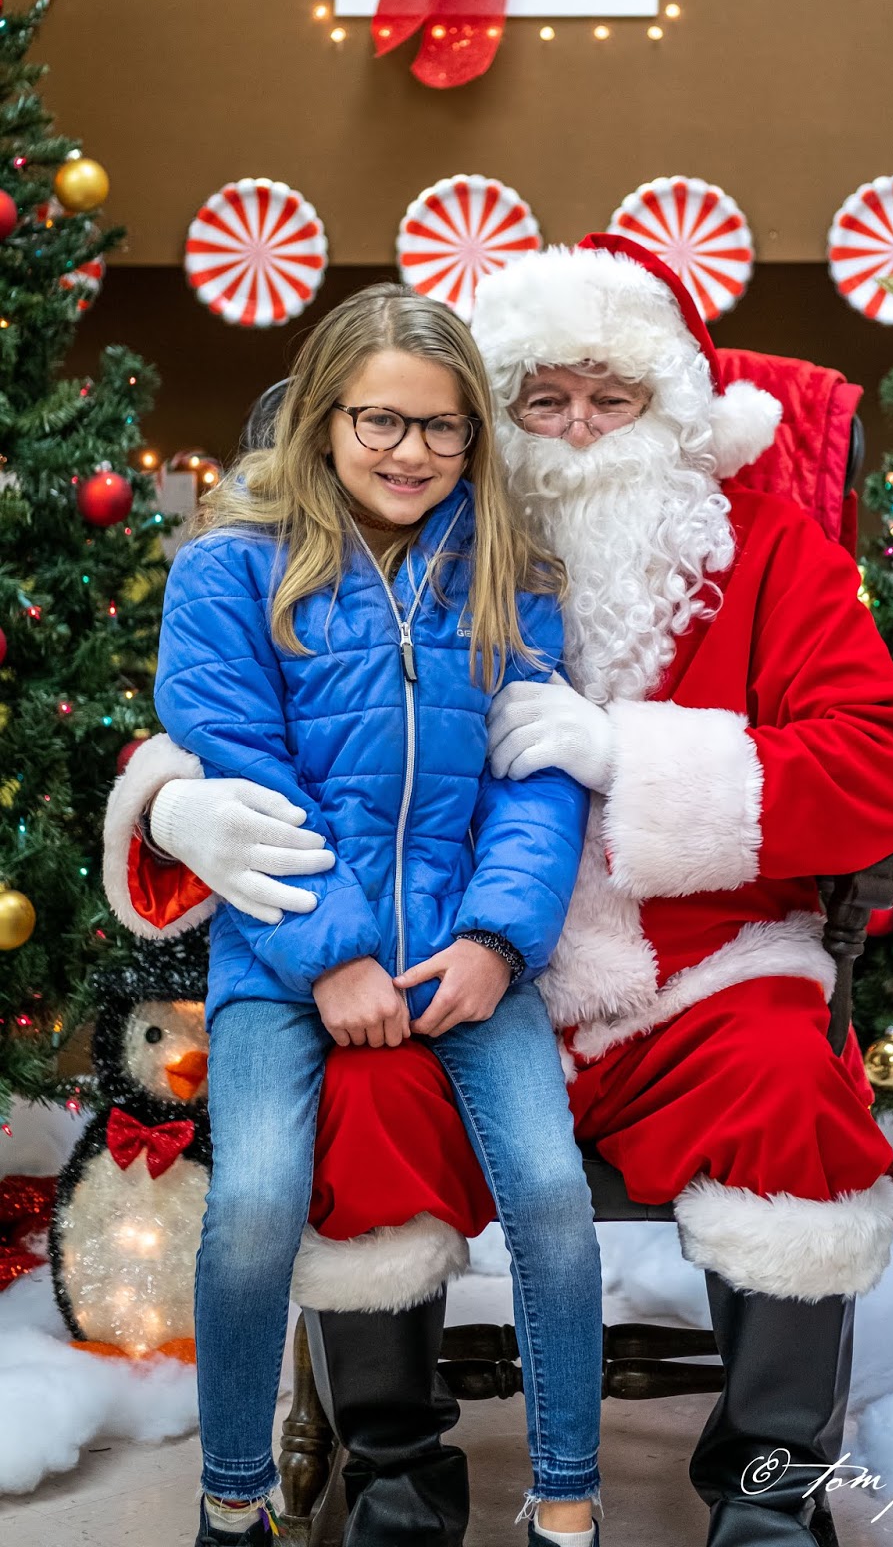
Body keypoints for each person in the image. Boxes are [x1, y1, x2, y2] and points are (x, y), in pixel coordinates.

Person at [105, 236, 893, 1547]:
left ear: (672, 408)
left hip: (693, 976)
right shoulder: (407, 538)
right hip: (436, 959)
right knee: (361, 1107)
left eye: (612, 397)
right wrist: (169, 803)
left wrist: (628, 757)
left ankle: (769, 1493)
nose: (579, 429)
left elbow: (884, 768)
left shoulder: (766, 551)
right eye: (543, 400)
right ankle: (396, 1476)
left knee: (789, 1092)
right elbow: (258, 710)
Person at [132, 283, 605, 1547]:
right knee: (254, 1208)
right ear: (324, 417)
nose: (412, 452)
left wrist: (495, 941)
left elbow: (534, 781)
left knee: (550, 1196)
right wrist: (332, 955)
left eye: (444, 427)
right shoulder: (231, 568)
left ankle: (566, 1500)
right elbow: (245, 775)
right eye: (381, 421)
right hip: (281, 957)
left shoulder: (507, 569)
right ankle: (233, 1498)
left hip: (464, 948)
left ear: (474, 434)